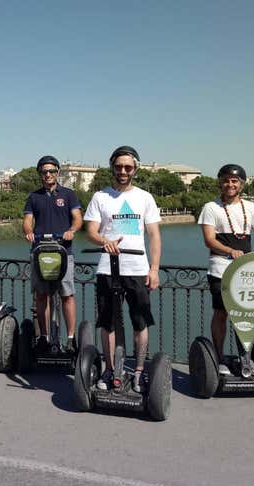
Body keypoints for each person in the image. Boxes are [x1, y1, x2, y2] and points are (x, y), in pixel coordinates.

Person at [83, 146, 161, 391]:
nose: (123, 171)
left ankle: (138, 371)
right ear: (112, 168)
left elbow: (154, 236)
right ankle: (110, 370)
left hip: (137, 268)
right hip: (108, 269)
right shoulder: (100, 197)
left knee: (140, 322)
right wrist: (104, 241)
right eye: (118, 167)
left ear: (135, 169)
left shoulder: (145, 197)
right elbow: (91, 231)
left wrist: (154, 268)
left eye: (128, 167)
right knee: (108, 323)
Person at [198, 164, 254, 375]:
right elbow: (209, 240)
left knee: (246, 316)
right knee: (222, 313)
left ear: (241, 184)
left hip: (245, 271)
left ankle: (246, 359)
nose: (230, 184)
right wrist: (230, 251)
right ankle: (220, 357)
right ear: (220, 183)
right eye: (226, 180)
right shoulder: (211, 208)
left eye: (234, 181)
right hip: (220, 270)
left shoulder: (251, 208)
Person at [23, 155, 83, 353]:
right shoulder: (34, 197)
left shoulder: (68, 194)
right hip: (40, 251)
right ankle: (44, 336)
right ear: (40, 174)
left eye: (51, 171)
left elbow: (77, 219)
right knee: (42, 295)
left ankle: (71, 338)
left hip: (63, 251)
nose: (48, 174)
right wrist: (28, 232)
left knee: (67, 295)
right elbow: (27, 220)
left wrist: (71, 231)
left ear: (58, 172)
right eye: (44, 171)